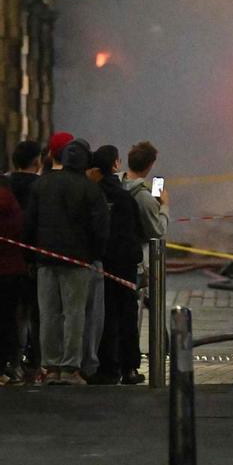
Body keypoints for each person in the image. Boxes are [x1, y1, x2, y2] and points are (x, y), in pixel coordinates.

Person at [23, 136, 109, 385]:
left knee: (49, 313)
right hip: (78, 262)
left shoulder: (42, 184)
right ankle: (70, 368)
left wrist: (30, 257)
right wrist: (94, 256)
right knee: (74, 314)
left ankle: (50, 367)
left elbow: (29, 223)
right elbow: (100, 229)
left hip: (45, 260)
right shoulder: (90, 189)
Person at [89, 147, 142, 384]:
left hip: (101, 262)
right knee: (127, 314)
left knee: (104, 314)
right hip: (126, 264)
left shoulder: (92, 194)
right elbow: (138, 229)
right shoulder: (125, 197)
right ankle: (130, 368)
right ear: (115, 165)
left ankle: (107, 368)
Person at [122, 140, 169, 385]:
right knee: (133, 314)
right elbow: (157, 231)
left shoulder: (115, 185)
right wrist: (164, 206)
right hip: (135, 261)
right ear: (150, 165)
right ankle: (132, 365)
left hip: (110, 261)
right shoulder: (144, 197)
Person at [4, 140, 40, 378]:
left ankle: (12, 361)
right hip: (35, 258)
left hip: (8, 260)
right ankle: (35, 362)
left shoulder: (5, 183)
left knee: (12, 314)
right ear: (37, 161)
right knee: (36, 313)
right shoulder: (41, 186)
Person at [0, 156, 25, 382]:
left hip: (6, 268)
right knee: (9, 319)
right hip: (12, 269)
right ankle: (10, 364)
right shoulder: (11, 201)